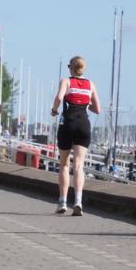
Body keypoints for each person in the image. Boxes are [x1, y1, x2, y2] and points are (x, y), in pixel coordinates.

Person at [50, 56, 101, 215]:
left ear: (71, 68)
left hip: (67, 123)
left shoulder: (66, 81)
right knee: (79, 166)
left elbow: (59, 98)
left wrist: (54, 110)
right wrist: (85, 103)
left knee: (64, 165)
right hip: (83, 125)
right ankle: (78, 201)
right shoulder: (90, 84)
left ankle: (62, 202)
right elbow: (97, 109)